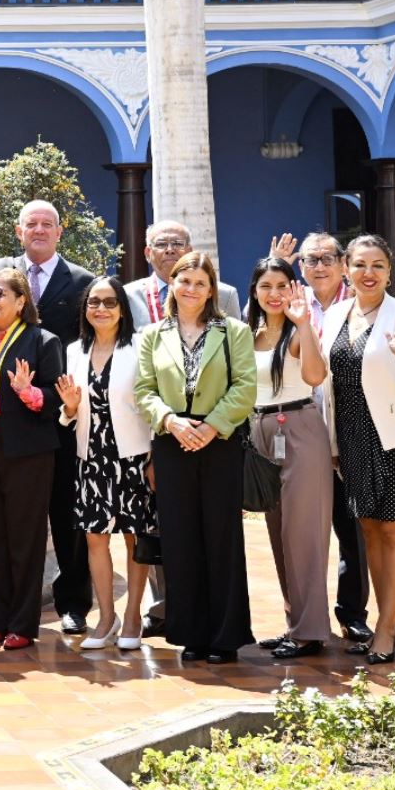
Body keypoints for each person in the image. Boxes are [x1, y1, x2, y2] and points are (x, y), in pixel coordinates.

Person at [0, 196, 96, 636]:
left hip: (52, 428)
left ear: (58, 231)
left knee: (61, 521)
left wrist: (45, 397)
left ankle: (69, 605)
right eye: (30, 223)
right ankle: (0, 616)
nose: (38, 230)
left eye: (46, 224)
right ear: (18, 231)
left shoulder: (80, 282)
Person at [133, 251, 256, 664]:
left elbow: (244, 388)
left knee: (220, 538)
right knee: (182, 539)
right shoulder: (153, 334)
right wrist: (170, 421)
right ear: (172, 283)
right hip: (173, 443)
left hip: (218, 442)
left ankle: (224, 636)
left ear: (211, 290)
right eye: (184, 280)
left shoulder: (234, 331)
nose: (191, 289)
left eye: (200, 283)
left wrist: (210, 426)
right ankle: (190, 633)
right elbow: (144, 390)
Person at [321, 233, 395, 664]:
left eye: (378, 266)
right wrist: (333, 441)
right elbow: (329, 389)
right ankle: (394, 613)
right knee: (368, 529)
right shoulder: (333, 316)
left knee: (394, 528)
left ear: (390, 272)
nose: (368, 273)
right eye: (360, 265)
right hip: (350, 435)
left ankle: (386, 628)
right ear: (346, 269)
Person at [269, 229, 371, 646]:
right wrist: (274, 264)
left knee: (352, 530)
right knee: (299, 535)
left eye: (328, 258)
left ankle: (353, 614)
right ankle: (302, 621)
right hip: (298, 434)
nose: (320, 266)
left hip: (351, 432)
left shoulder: (361, 305)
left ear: (343, 263)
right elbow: (257, 331)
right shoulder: (289, 304)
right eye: (311, 260)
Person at [0, 267, 65, 651]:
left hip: (27, 446)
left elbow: (57, 400)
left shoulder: (43, 341)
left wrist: (27, 391)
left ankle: (22, 623)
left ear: (22, 301)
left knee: (25, 536)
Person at [53, 276, 152, 652]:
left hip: (132, 455)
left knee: (133, 537)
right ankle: (106, 616)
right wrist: (71, 407)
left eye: (109, 302)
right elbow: (69, 415)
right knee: (95, 537)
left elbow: (151, 402)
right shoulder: (74, 350)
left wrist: (154, 456)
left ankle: (132, 617)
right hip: (90, 456)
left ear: (122, 308)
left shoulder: (140, 347)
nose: (101, 309)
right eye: (94, 302)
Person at [241, 257, 331, 660]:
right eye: (266, 287)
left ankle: (311, 631)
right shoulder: (247, 333)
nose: (274, 294)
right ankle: (295, 623)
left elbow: (315, 377)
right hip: (262, 432)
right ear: (255, 292)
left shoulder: (297, 332)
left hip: (299, 428)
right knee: (279, 534)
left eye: (282, 285)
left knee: (304, 534)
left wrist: (305, 324)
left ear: (294, 290)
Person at [124, 220, 242, 327]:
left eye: (178, 243)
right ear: (148, 253)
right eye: (161, 244)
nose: (170, 249)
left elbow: (235, 345)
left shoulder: (224, 295)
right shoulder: (129, 296)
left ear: (189, 251)